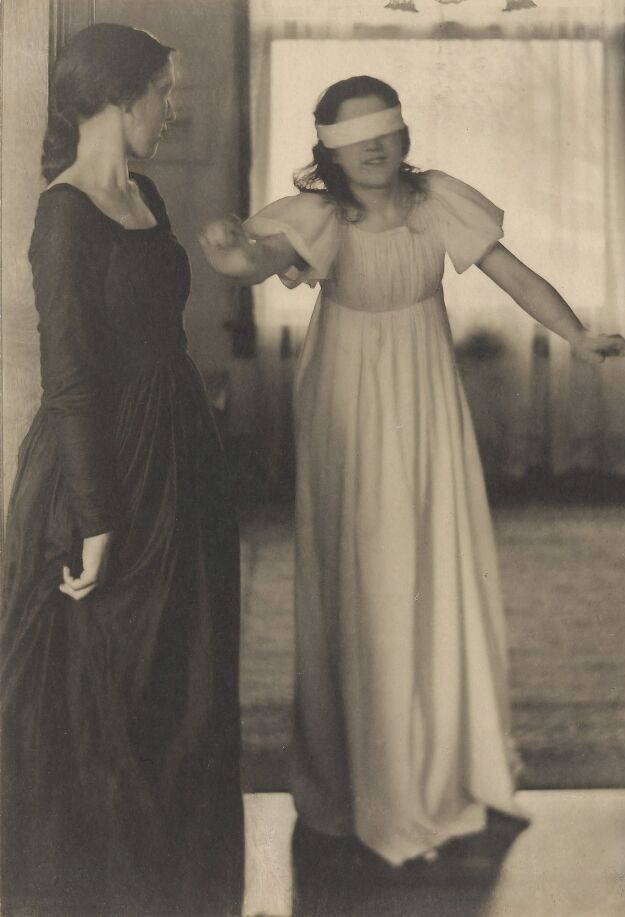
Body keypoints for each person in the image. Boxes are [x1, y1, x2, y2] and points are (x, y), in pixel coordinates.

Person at [200, 75, 625, 868]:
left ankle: (441, 764)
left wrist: (576, 334)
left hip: (424, 391)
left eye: (386, 133)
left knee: (429, 559)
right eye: (356, 137)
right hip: (345, 397)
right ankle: (362, 773)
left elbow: (512, 271)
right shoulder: (321, 214)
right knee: (361, 563)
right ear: (330, 152)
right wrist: (235, 254)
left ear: (404, 137)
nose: (374, 148)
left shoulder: (436, 199)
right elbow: (260, 257)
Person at [1, 24, 243, 916]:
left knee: (187, 688)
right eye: (163, 93)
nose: (172, 111)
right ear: (114, 95)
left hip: (180, 454)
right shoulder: (62, 214)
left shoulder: (144, 194)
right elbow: (68, 375)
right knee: (112, 697)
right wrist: (96, 520)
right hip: (105, 476)